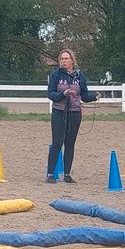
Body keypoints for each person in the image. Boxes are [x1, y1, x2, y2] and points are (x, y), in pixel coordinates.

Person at [46, 48, 99, 184]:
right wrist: (63, 94)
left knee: (70, 144)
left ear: (72, 60)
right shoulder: (55, 75)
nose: (63, 61)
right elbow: (50, 94)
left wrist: (95, 96)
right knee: (57, 143)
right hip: (59, 112)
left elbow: (85, 95)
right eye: (62, 59)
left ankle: (67, 174)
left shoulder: (79, 76)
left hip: (75, 113)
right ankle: (50, 174)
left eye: (66, 59)